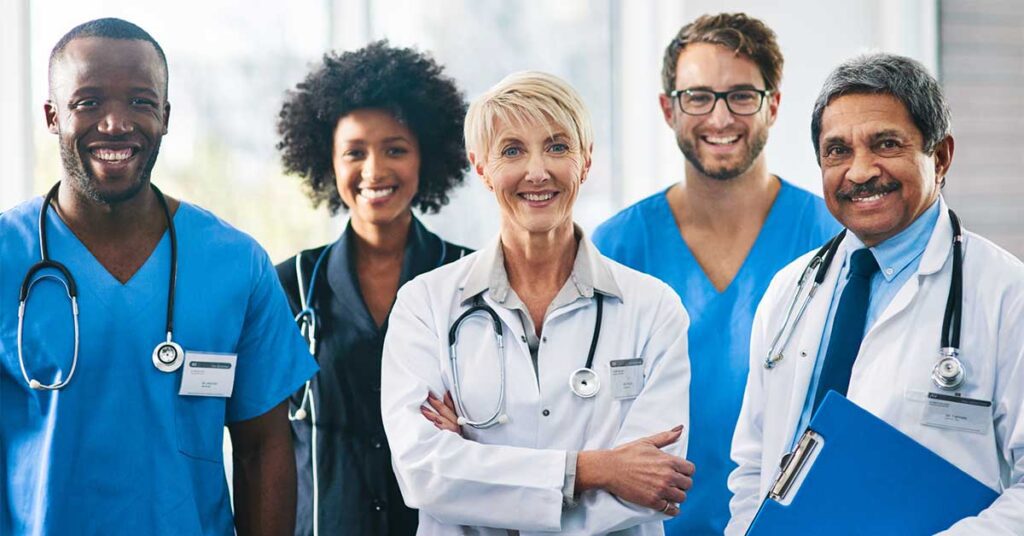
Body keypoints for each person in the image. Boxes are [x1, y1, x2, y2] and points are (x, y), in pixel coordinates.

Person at [0, 18, 316, 535]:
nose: (115, 123)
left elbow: (263, 449)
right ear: (52, 116)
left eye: (141, 102)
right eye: (89, 102)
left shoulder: (235, 264)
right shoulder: (5, 257)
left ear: (165, 116)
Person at [380, 71, 695, 535]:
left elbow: (653, 485)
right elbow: (424, 472)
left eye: (557, 146)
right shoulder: (425, 306)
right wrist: (594, 469)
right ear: (481, 167)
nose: (537, 171)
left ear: (585, 161)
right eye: (511, 151)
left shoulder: (652, 309)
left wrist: (477, 472)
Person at [726, 53, 1024, 534]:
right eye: (837, 150)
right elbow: (752, 466)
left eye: (885, 144)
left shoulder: (1008, 297)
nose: (860, 171)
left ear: (941, 156)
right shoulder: (790, 291)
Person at [591, 13, 839, 534]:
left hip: (794, 521)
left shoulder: (831, 238)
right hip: (645, 525)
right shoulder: (617, 246)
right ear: (668, 108)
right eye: (698, 97)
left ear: (772, 105)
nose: (721, 118)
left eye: (741, 96)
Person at [274, 41, 473, 536]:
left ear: (426, 157)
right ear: (328, 161)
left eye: (395, 150)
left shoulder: (471, 281)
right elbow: (265, 443)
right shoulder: (289, 286)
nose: (375, 171)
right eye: (355, 152)